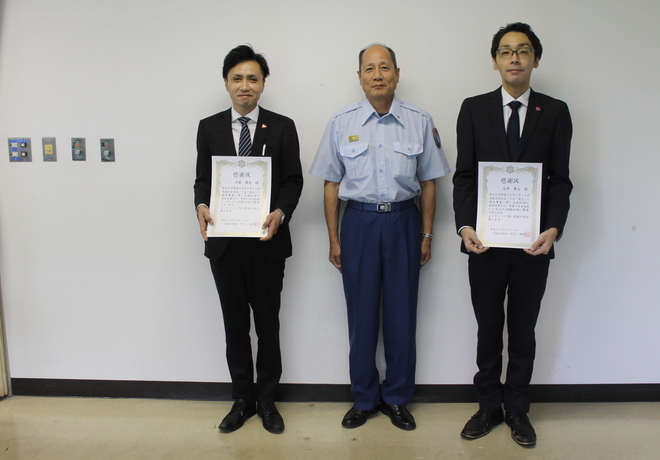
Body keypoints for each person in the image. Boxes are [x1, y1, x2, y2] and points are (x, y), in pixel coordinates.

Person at [310, 44, 450, 431]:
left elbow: (429, 182)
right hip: (359, 224)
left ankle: (398, 397)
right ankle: (364, 397)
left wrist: (426, 234)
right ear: (359, 77)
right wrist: (334, 239)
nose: (377, 75)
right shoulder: (342, 122)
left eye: (384, 67)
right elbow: (330, 184)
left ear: (397, 73)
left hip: (404, 222)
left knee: (402, 315)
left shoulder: (419, 120)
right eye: (369, 69)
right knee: (361, 316)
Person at [453, 23, 573, 447]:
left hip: (532, 244)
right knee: (489, 326)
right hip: (484, 244)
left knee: (523, 328)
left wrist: (553, 229)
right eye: (506, 51)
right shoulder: (473, 109)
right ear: (495, 61)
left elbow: (560, 180)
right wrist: (465, 226)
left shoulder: (555, 112)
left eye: (523, 51)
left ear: (535, 59)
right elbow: (464, 176)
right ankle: (488, 406)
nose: (515, 58)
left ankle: (518, 409)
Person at [194, 45, 303, 434]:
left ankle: (268, 400)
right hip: (224, 246)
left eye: (252, 78)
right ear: (226, 83)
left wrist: (281, 212)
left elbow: (293, 180)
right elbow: (203, 180)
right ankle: (242, 399)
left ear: (263, 84)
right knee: (235, 325)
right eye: (237, 78)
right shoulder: (209, 127)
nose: (245, 85)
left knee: (268, 325)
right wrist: (201, 205)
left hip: (267, 244)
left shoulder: (282, 126)